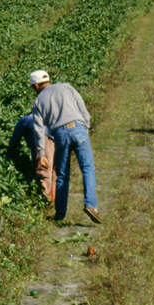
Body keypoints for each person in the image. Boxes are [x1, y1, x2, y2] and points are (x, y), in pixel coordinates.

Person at [29, 70, 100, 223]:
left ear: (35, 86)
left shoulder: (38, 101)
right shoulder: (66, 87)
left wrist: (41, 153)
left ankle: (60, 214)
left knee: (62, 175)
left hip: (60, 134)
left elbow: (38, 130)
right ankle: (91, 205)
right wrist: (85, 128)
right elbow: (83, 109)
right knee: (88, 168)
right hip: (79, 128)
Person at [10, 114, 56, 202]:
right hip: (53, 141)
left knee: (43, 172)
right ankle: (51, 201)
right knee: (52, 172)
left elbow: (13, 143)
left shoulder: (25, 120)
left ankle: (44, 201)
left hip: (42, 142)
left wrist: (13, 155)